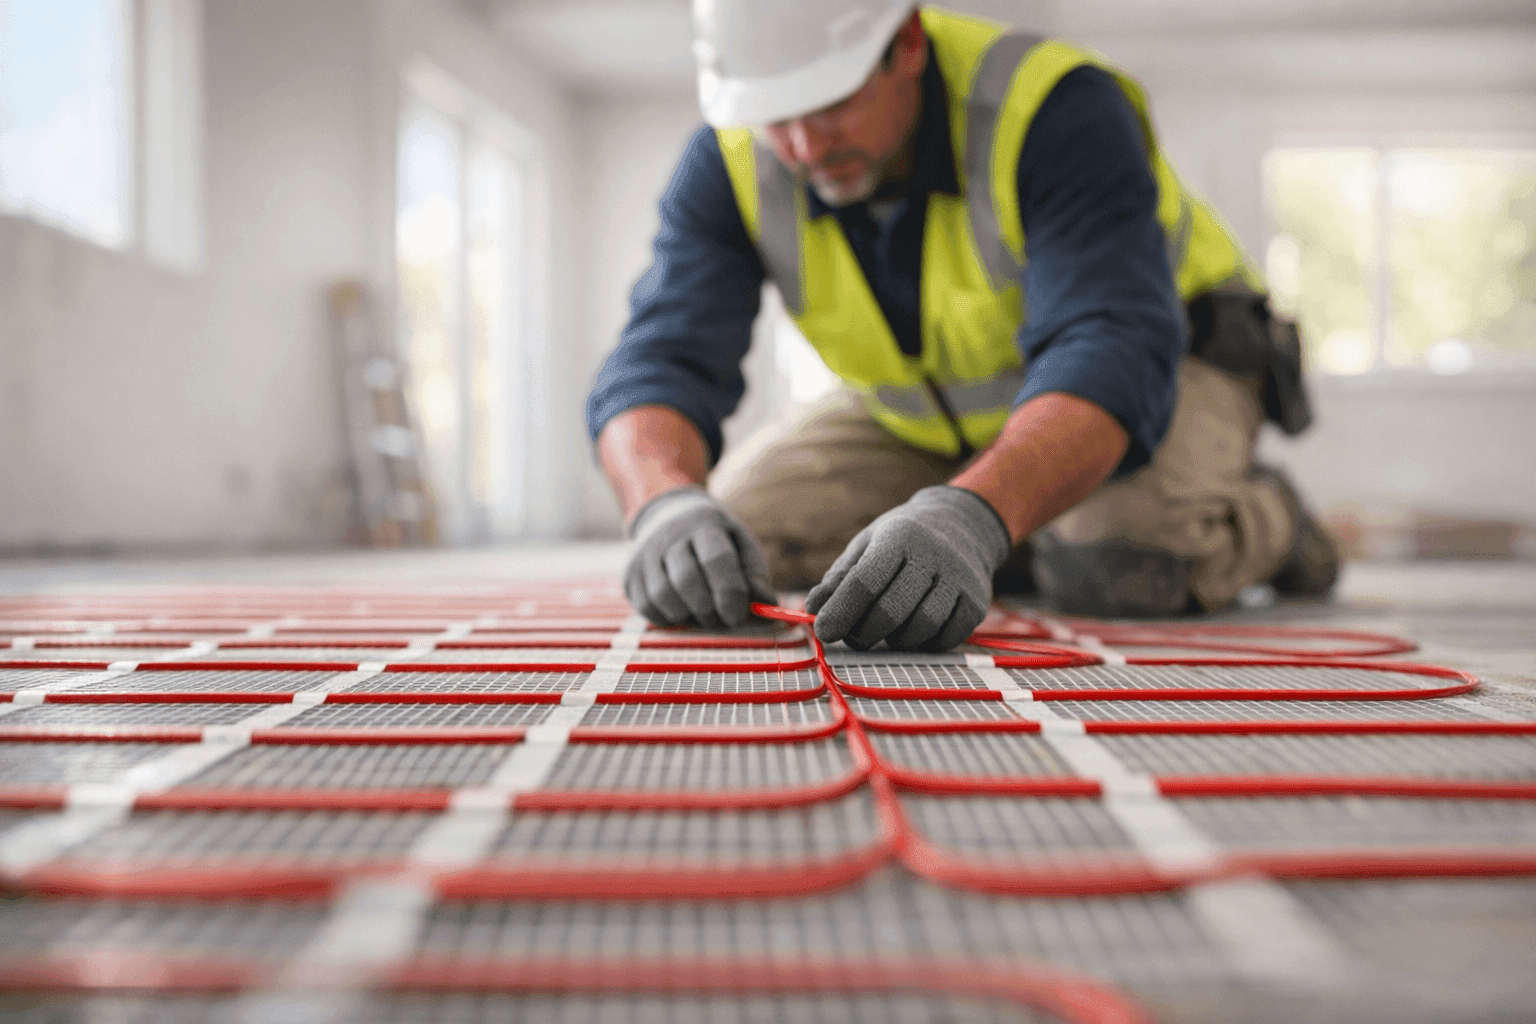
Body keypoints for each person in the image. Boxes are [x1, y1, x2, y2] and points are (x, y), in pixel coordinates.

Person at [588, 1, 1338, 652]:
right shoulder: (731, 159)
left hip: (1170, 367)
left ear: (907, 45)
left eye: (830, 104)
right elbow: (660, 357)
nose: (806, 147)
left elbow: (1109, 347)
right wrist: (663, 502)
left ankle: (1269, 522)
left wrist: (973, 517)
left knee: (1119, 562)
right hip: (929, 412)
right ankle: (1023, 522)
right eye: (777, 117)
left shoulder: (1054, 108)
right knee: (732, 540)